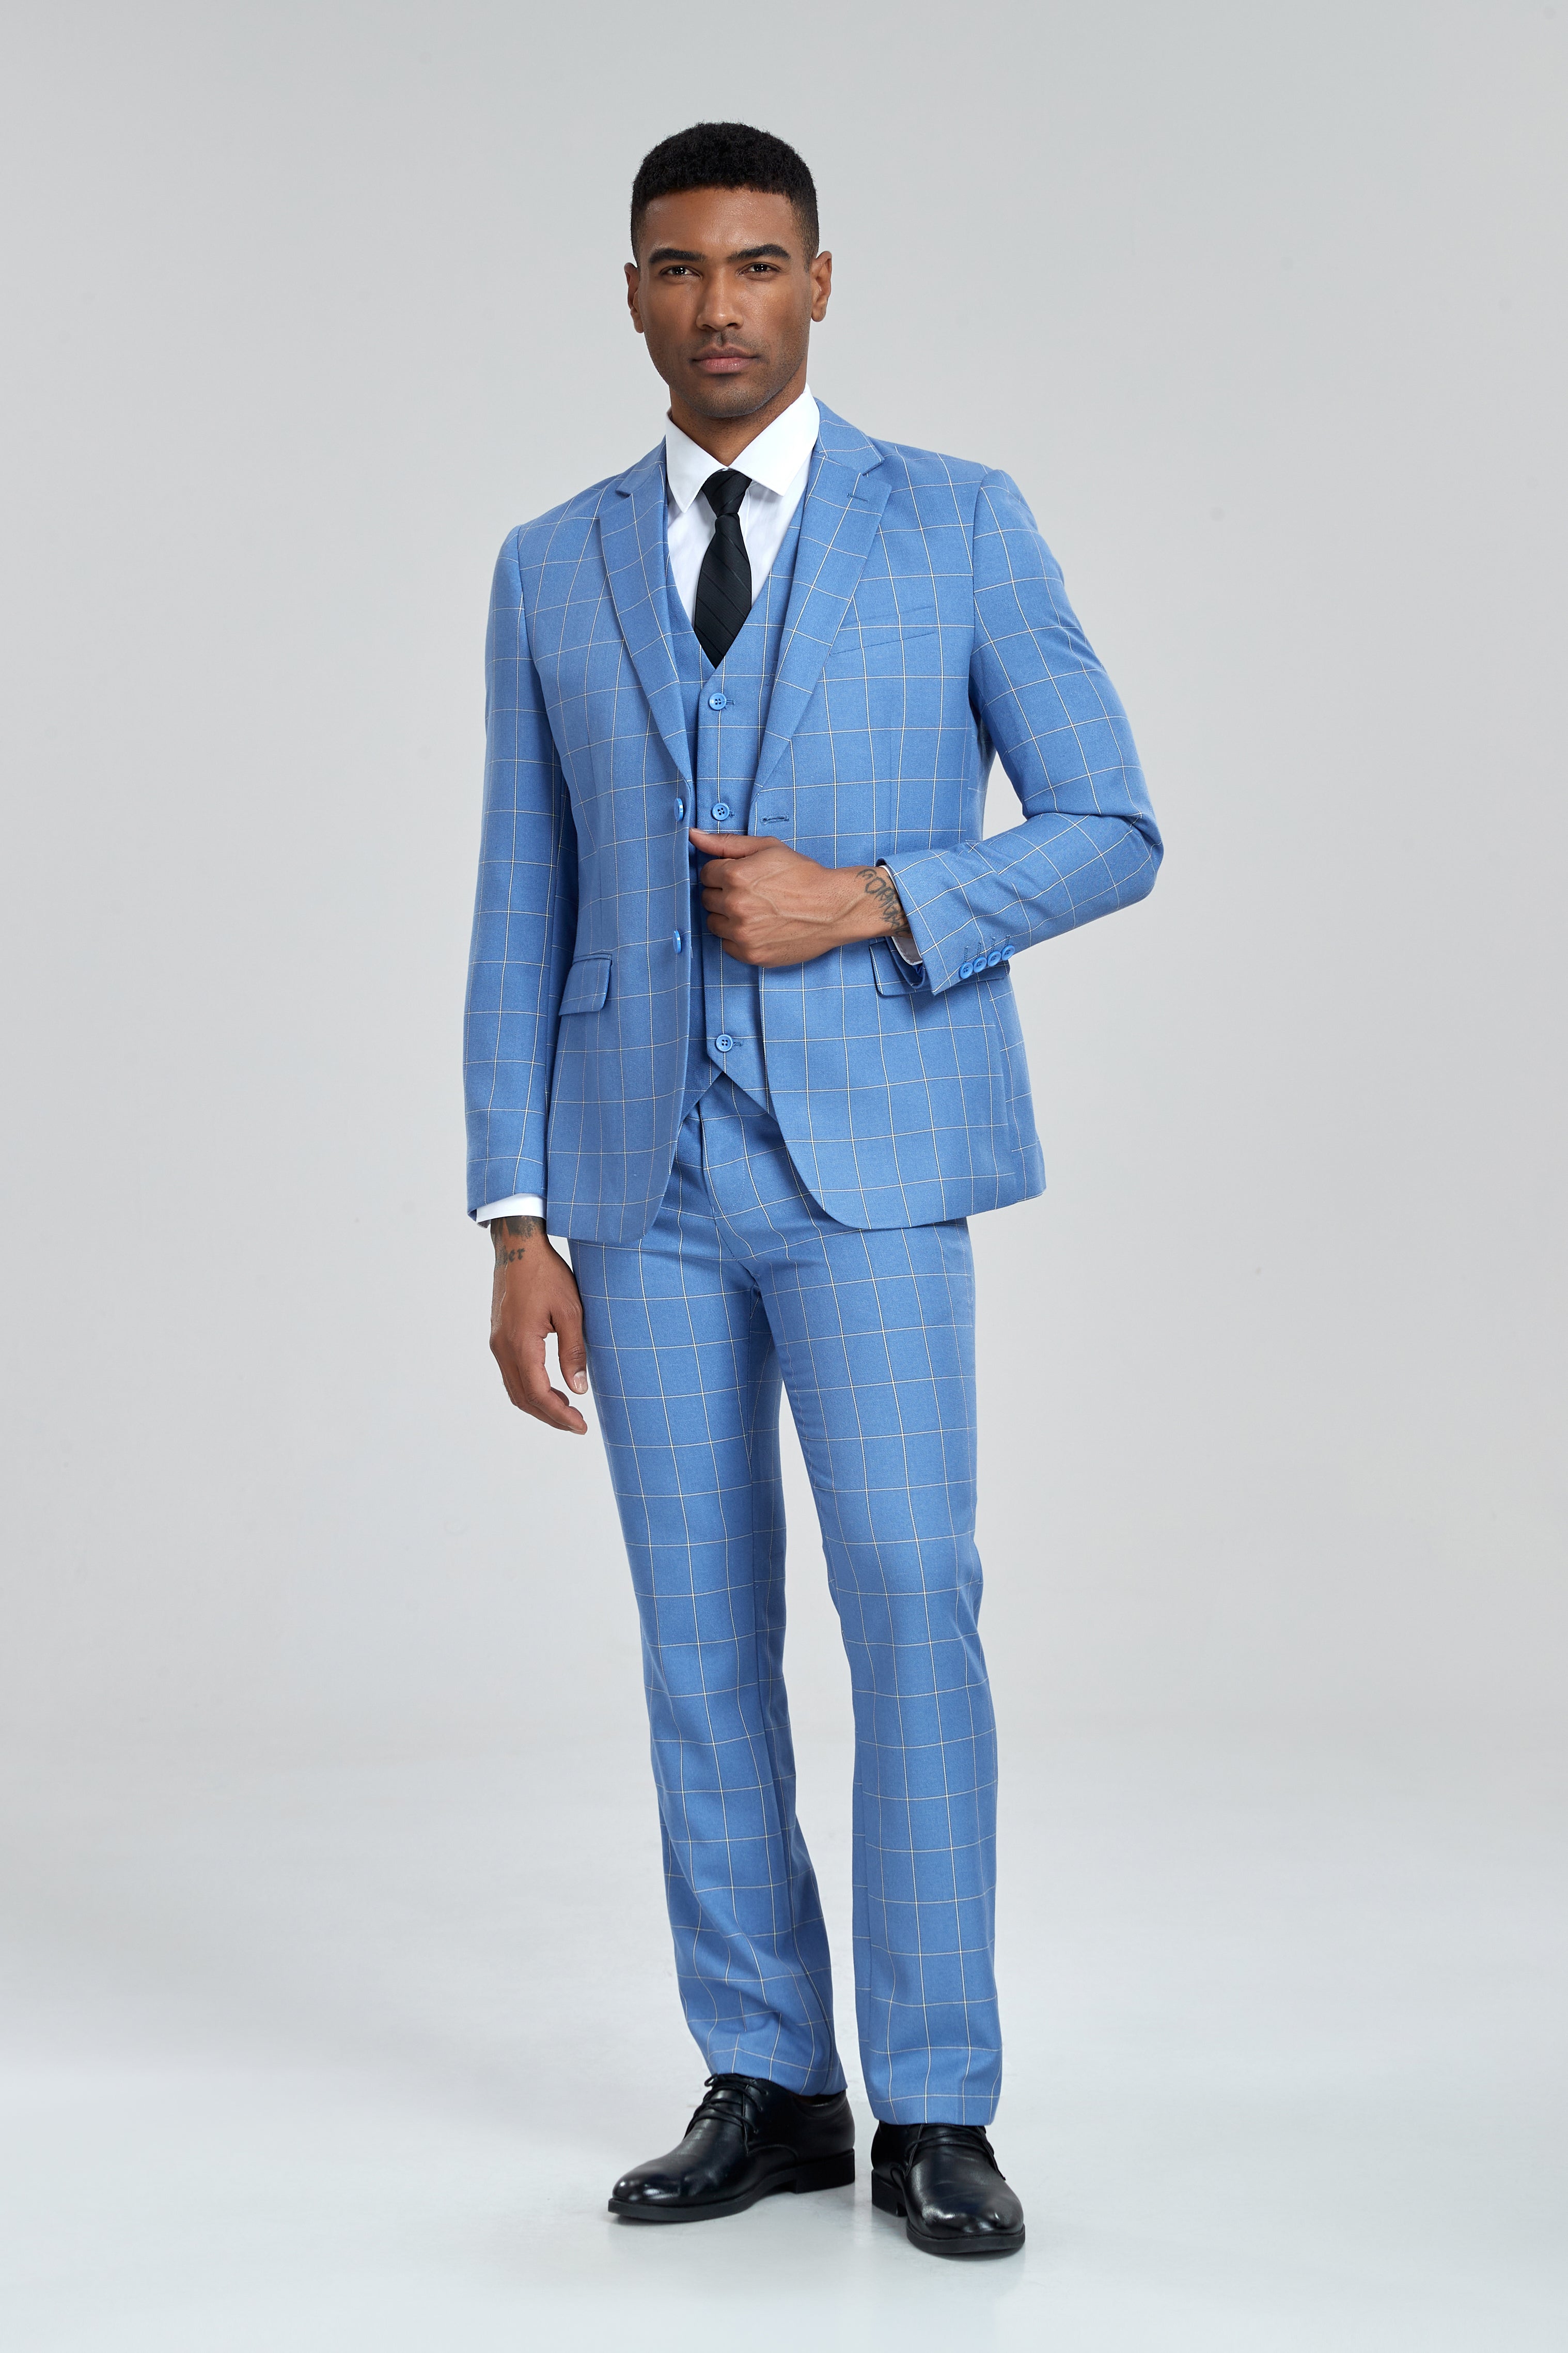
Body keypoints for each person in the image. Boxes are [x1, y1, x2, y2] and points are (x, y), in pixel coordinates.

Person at [464, 120, 1161, 2261]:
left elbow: (1111, 824)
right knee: (698, 1637)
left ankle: (934, 2098)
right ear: (632, 294)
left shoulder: (957, 521)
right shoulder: (551, 562)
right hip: (634, 1179)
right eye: (679, 268)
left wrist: (868, 898)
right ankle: (768, 2076)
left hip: (873, 1166)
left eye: (758, 264)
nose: (720, 306)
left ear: (822, 283)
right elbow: (519, 896)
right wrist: (514, 1216)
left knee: (909, 1604)